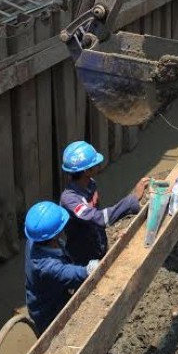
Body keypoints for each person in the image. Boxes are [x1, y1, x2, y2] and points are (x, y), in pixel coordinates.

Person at [59, 141, 148, 265]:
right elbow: (98, 218)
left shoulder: (91, 184)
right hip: (83, 256)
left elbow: (99, 216)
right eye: (95, 163)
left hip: (98, 243)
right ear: (86, 171)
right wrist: (132, 199)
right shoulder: (69, 200)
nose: (98, 165)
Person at [24, 201, 100, 334]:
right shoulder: (46, 267)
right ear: (55, 234)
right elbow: (73, 274)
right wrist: (92, 268)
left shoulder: (35, 239)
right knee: (55, 336)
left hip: (44, 294)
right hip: (48, 311)